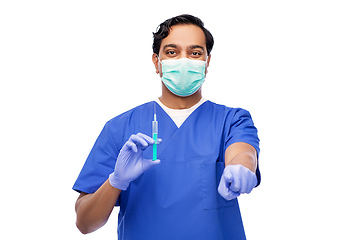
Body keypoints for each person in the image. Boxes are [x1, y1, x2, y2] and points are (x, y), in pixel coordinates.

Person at [73, 14, 261, 240]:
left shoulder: (231, 120)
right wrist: (116, 181)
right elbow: (84, 223)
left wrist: (240, 167)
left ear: (207, 62)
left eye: (195, 53)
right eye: (172, 52)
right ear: (156, 61)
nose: (184, 60)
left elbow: (243, 152)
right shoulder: (119, 128)